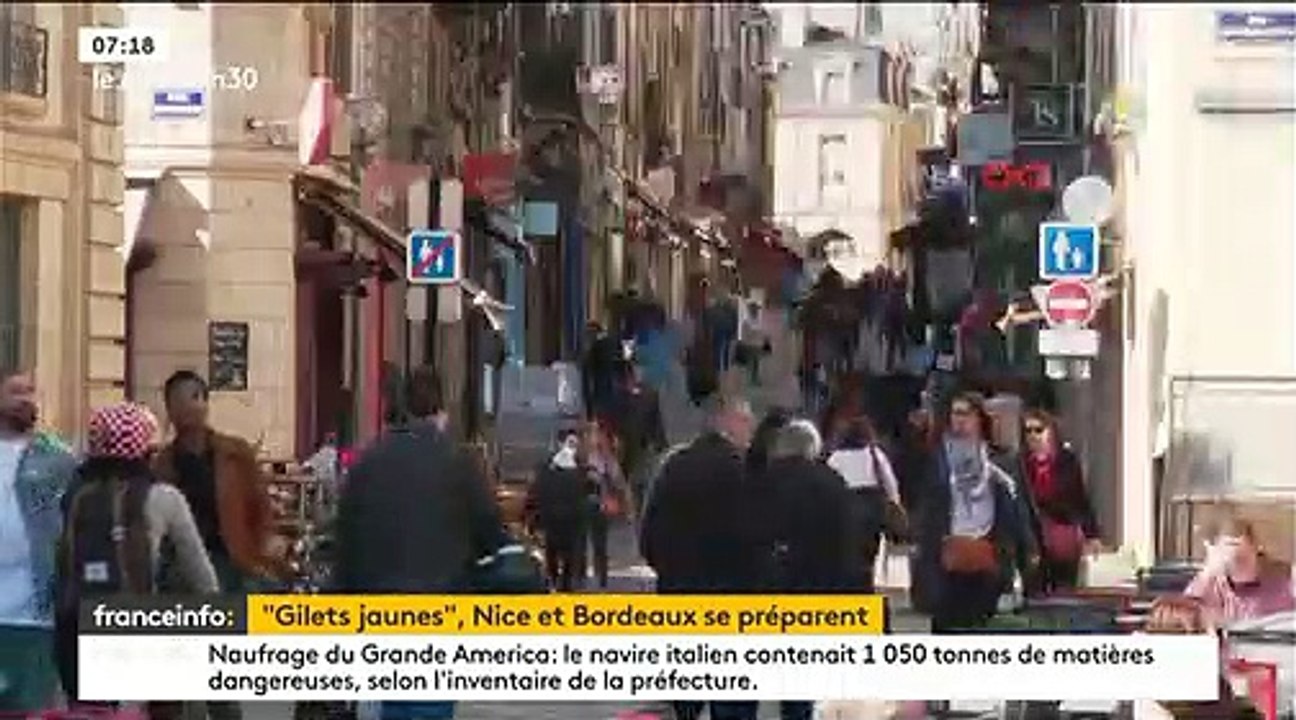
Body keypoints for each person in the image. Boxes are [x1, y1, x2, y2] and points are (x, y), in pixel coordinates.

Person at [335, 367, 506, 720]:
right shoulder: (458, 460)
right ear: (442, 410)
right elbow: (489, 529)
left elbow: (346, 537)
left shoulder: (368, 461)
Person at [56, 402, 219, 707]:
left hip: (74, 630)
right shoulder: (163, 498)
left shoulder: (74, 494)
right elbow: (201, 574)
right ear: (147, 448)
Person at [641, 394, 759, 720]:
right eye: (745, 420)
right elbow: (753, 535)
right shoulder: (742, 470)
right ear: (726, 421)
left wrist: (667, 569)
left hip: (679, 590)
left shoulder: (674, 465)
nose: (751, 428)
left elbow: (649, 531)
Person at [913, 391, 1038, 633]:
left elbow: (1018, 510)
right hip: (947, 566)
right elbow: (928, 513)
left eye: (964, 414)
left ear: (980, 419)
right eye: (954, 414)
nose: (958, 420)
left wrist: (1027, 555)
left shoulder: (1001, 462)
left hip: (987, 564)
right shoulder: (939, 460)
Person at [757, 420, 857, 720]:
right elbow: (847, 541)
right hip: (822, 588)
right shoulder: (833, 482)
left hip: (776, 587)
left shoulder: (763, 482)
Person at [155, 371, 285, 593]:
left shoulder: (235, 453)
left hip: (234, 560)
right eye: (176, 400)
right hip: (185, 568)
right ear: (169, 409)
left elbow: (259, 505)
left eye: (193, 398)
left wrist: (264, 545)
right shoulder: (162, 464)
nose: (186, 407)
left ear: (205, 403)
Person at [0, 369, 77, 712]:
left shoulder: (57, 457)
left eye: (31, 391)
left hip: (35, 612)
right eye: (16, 391)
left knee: (31, 706)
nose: (26, 399)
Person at [1019, 408, 1100, 593]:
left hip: (1063, 536)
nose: (1033, 435)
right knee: (1034, 590)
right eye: (1028, 431)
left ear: (1051, 432)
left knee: (1064, 588)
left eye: (1038, 430)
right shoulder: (1020, 463)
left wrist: (1092, 534)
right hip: (1034, 540)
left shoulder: (1066, 461)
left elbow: (1080, 498)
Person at [827, 416, 904, 594]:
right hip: (872, 506)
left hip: (846, 506)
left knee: (849, 552)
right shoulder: (874, 453)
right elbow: (889, 481)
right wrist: (895, 502)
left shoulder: (836, 457)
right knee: (870, 553)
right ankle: (867, 583)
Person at [1184, 514, 1295, 626]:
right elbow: (1185, 614)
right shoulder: (1213, 584)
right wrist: (1207, 572)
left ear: (1256, 548)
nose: (1234, 559)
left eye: (1242, 557)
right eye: (1228, 552)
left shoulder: (1286, 578)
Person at [526, 429, 587, 591]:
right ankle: (561, 582)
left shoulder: (550, 465)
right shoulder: (574, 466)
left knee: (557, 550)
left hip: (560, 516)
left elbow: (536, 489)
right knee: (561, 551)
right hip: (561, 516)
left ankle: (558, 581)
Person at [605, 361, 666, 506]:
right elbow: (657, 426)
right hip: (638, 448)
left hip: (629, 449)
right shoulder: (649, 395)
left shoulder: (618, 399)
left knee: (634, 483)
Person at [580, 420, 628, 589]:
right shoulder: (582, 456)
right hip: (584, 503)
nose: (595, 438)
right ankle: (582, 574)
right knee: (580, 541)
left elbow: (618, 481)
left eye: (597, 434)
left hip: (601, 505)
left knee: (599, 542)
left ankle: (601, 577)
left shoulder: (608, 459)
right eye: (591, 434)